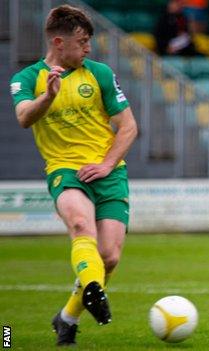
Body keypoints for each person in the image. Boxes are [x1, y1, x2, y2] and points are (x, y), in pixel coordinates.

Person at [9, 5, 138, 346]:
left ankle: (67, 317)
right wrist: (47, 97)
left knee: (108, 256)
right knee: (81, 227)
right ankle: (94, 292)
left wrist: (108, 164)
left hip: (108, 173)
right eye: (82, 42)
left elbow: (128, 127)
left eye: (89, 42)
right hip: (65, 171)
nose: (88, 48)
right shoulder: (26, 79)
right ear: (58, 42)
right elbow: (24, 117)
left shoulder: (100, 74)